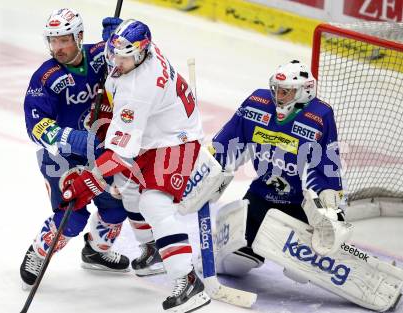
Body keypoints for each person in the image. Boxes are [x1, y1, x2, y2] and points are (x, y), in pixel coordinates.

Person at [61, 19, 211, 312]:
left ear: (141, 54)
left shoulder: (138, 90)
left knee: (154, 203)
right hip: (150, 135)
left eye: (125, 57)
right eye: (114, 52)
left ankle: (188, 280)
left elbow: (117, 155)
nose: (117, 61)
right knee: (127, 189)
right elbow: (125, 48)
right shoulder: (140, 52)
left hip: (175, 141)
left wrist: (86, 182)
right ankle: (154, 250)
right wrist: (114, 38)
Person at [20, 8, 130, 288]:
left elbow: (134, 64)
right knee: (72, 217)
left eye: (64, 40)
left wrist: (117, 44)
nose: (57, 47)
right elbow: (35, 125)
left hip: (100, 153)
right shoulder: (45, 77)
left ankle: (96, 250)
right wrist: (73, 138)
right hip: (61, 160)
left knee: (116, 207)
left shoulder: (98, 56)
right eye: (53, 41)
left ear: (79, 36)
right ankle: (39, 251)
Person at [209, 60, 345, 275]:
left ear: (304, 92)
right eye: (277, 90)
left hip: (299, 207)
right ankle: (220, 251)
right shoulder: (257, 103)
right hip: (260, 198)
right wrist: (208, 172)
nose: (278, 97)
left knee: (300, 272)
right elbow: (228, 141)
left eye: (286, 92)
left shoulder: (319, 116)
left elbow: (327, 166)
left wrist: (330, 210)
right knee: (238, 263)